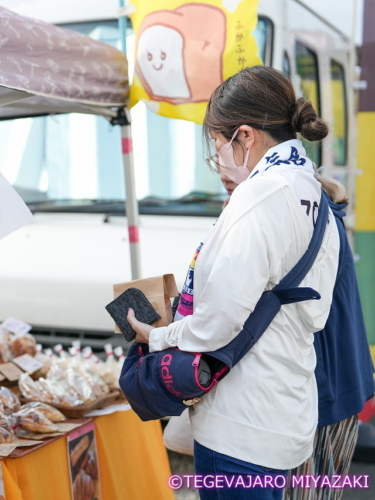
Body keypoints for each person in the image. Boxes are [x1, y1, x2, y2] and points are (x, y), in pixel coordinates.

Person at [127, 66, 340, 499]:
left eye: (218, 143)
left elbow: (215, 325)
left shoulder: (260, 196)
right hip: (285, 408)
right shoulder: (313, 191)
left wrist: (158, 335)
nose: (219, 156)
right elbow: (313, 309)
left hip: (240, 424)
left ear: (245, 137)